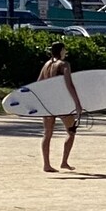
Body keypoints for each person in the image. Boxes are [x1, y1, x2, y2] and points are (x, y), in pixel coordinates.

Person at [37, 41, 83, 174]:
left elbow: (39, 83)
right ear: (61, 50)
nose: (65, 51)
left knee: (47, 133)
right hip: (61, 103)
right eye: (65, 49)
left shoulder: (47, 64)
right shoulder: (64, 64)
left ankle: (46, 164)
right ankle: (64, 162)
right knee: (71, 131)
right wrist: (77, 104)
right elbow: (69, 85)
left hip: (48, 103)